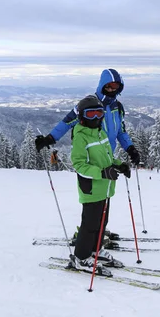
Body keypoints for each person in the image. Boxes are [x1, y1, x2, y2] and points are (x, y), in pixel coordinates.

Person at [67, 95, 131, 273]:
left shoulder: (101, 132)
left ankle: (95, 251)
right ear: (82, 116)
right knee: (89, 225)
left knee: (102, 222)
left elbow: (107, 158)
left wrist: (119, 165)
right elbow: (79, 165)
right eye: (90, 114)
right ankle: (80, 257)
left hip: (106, 187)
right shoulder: (81, 136)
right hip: (92, 188)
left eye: (98, 113)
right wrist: (101, 173)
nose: (95, 118)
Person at [35, 68, 141, 166]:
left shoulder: (118, 107)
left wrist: (130, 148)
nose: (112, 90)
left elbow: (121, 132)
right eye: (109, 86)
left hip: (107, 157)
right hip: (89, 159)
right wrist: (50, 138)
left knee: (108, 186)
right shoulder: (89, 103)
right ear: (102, 85)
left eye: (115, 86)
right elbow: (67, 122)